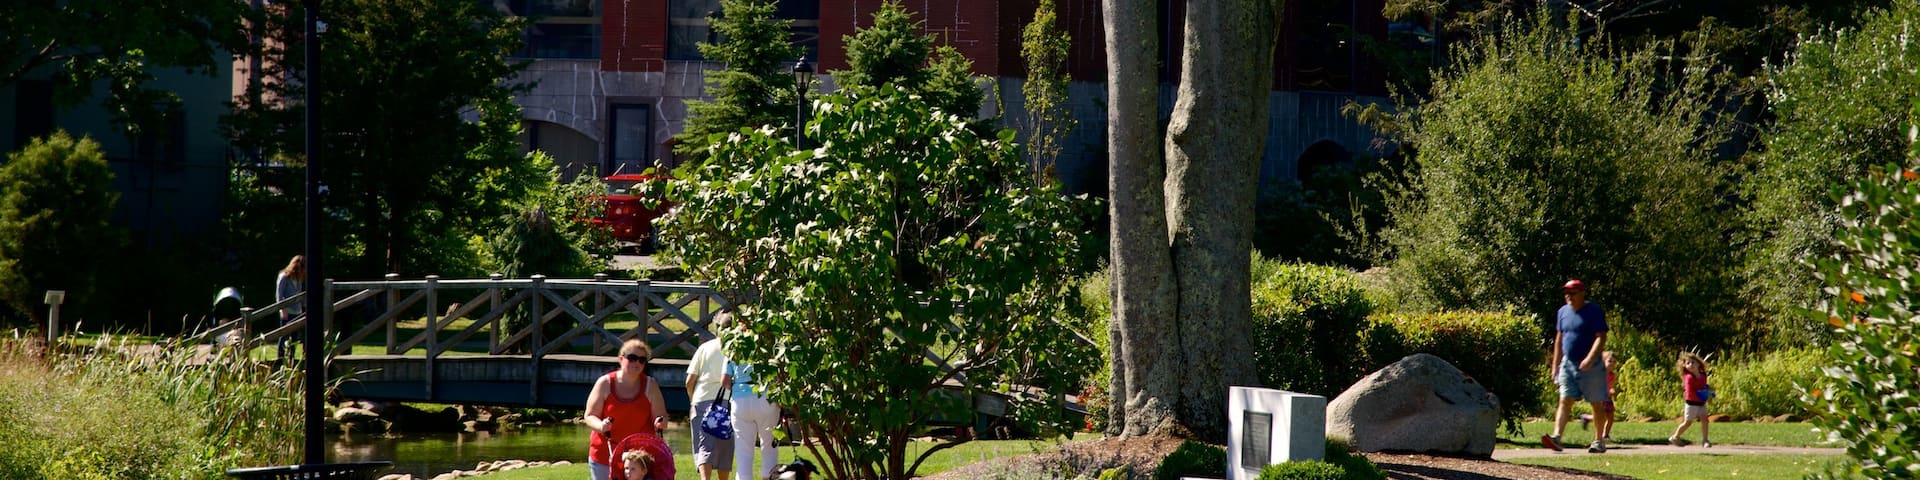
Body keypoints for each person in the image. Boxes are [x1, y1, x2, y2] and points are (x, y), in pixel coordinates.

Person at [586, 339, 670, 480]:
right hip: (605, 454)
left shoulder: (651, 385)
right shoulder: (605, 383)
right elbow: (589, 416)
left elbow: (661, 416)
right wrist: (601, 425)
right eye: (632, 358)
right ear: (621, 359)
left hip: (639, 459)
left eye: (642, 360)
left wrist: (660, 422)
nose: (636, 363)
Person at [1543, 279, 1610, 453]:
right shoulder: (1562, 312)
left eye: (1572, 293)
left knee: (1596, 403)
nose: (1568, 296)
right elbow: (1559, 339)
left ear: (1582, 293)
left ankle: (1598, 440)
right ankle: (1557, 437)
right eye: (1566, 293)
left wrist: (1590, 358)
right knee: (1565, 400)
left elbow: (1600, 337)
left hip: (1591, 365)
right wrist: (1555, 365)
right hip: (1568, 363)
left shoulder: (1593, 311)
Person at [727, 321, 781, 480]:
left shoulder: (734, 347)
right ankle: (769, 476)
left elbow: (725, 380)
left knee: (744, 451)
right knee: (769, 446)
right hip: (765, 396)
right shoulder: (768, 347)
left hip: (740, 400)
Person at [686, 313, 734, 480]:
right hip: (727, 401)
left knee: (704, 445)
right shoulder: (736, 349)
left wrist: (692, 400)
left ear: (716, 329)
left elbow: (690, 380)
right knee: (725, 445)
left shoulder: (705, 348)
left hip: (702, 398)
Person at [1669, 351, 1713, 448]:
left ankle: (1705, 440)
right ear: (1684, 366)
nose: (1691, 365)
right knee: (1688, 423)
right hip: (1691, 403)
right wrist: (1702, 394)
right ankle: (1675, 437)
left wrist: (1708, 391)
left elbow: (1704, 385)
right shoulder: (1688, 378)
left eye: (1693, 362)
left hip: (1701, 403)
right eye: (1688, 363)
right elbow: (1690, 391)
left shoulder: (1703, 375)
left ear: (1698, 363)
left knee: (1705, 420)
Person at [274, 255, 305, 362]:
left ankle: (291, 357)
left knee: (294, 337)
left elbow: (300, 294)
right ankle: (280, 356)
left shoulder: (298, 278)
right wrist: (283, 310)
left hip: (297, 310)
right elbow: (279, 295)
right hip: (287, 311)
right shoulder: (284, 276)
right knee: (284, 335)